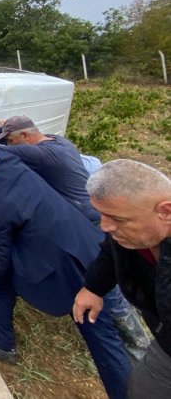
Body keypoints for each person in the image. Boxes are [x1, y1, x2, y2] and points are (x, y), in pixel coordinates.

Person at [0, 101, 149, 359]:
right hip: (71, 223)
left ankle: (138, 348)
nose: (9, 149)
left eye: (11, 142)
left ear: (25, 137)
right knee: (17, 281)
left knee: (102, 293)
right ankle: (5, 342)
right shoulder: (56, 142)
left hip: (84, 225)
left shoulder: (42, 155)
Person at [0, 150, 130, 399]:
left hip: (64, 271)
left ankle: (126, 391)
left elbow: (0, 259)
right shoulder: (13, 167)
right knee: (1, 284)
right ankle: (2, 344)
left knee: (100, 337)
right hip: (84, 245)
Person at [73, 160, 171, 399]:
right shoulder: (134, 230)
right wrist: (93, 287)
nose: (105, 226)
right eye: (102, 215)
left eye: (118, 219)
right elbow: (111, 251)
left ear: (166, 211)